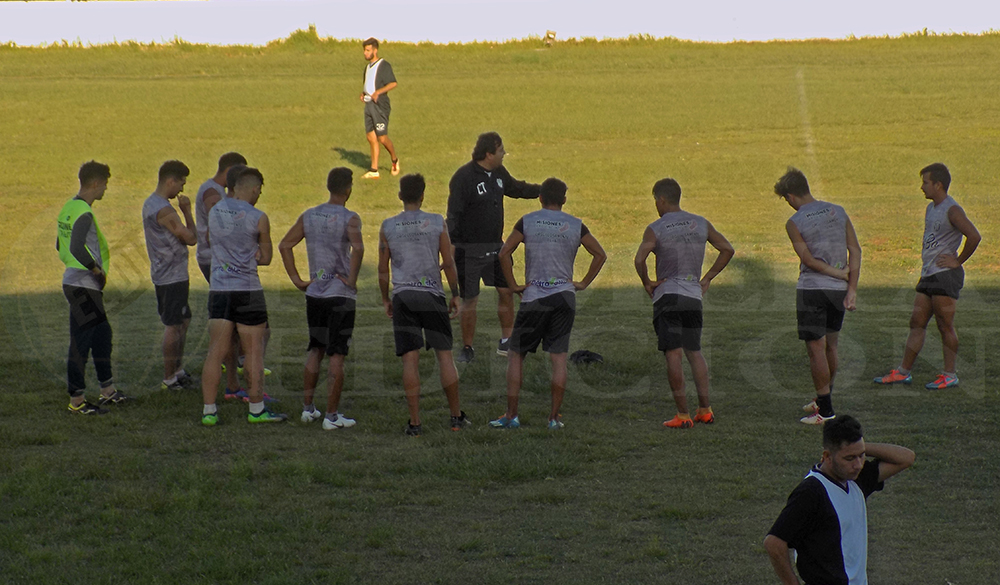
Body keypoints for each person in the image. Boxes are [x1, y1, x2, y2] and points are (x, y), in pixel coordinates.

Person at [491, 178, 606, 430]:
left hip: (535, 297)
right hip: (564, 296)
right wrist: (583, 282)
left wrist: (512, 285)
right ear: (564, 199)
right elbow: (600, 254)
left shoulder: (528, 221)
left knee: (516, 355)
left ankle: (511, 416)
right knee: (559, 359)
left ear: (540, 198)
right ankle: (554, 419)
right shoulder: (576, 225)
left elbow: (503, 253)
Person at [764, 415, 914, 585]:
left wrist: (859, 448)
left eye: (861, 456)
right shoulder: (811, 492)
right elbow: (774, 543)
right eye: (849, 458)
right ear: (827, 456)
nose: (858, 464)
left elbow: (906, 458)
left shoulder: (857, 478)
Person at [634, 178, 734, 429]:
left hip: (668, 294)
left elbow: (639, 259)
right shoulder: (700, 223)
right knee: (695, 351)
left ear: (661, 200)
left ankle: (682, 414)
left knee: (673, 353)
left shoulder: (655, 228)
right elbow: (727, 249)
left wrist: (648, 282)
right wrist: (707, 277)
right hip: (693, 295)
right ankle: (705, 409)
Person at [873, 163, 980, 390]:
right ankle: (903, 372)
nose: (922, 187)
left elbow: (974, 236)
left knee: (944, 325)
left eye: (925, 182)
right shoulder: (932, 208)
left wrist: (958, 260)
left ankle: (949, 374)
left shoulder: (952, 210)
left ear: (938, 185)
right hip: (929, 273)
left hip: (945, 275)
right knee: (917, 322)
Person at [378, 173, 470, 436]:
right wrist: (455, 293)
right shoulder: (436, 222)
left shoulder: (388, 226)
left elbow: (383, 270)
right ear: (423, 195)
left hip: (404, 296)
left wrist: (386, 298)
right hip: (431, 294)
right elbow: (448, 262)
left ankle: (415, 423)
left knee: (410, 360)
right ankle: (455, 417)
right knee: (444, 356)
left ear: (400, 195)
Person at [774, 168, 862, 425]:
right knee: (831, 346)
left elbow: (808, 260)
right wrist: (851, 286)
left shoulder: (794, 222)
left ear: (790, 196)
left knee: (815, 351)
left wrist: (835, 273)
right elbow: (855, 249)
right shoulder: (838, 211)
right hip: (838, 292)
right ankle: (824, 398)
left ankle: (825, 411)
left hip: (813, 290)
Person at [279, 167, 363, 430]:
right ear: (348, 188)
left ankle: (308, 409)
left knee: (315, 349)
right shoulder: (350, 218)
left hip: (315, 293)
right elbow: (358, 248)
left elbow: (285, 245)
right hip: (339, 295)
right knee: (337, 354)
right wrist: (351, 279)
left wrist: (297, 279)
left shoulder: (309, 215)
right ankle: (332, 415)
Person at [201, 167, 285, 425]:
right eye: (259, 190)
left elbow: (209, 241)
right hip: (248, 290)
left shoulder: (215, 211)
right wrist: (253, 256)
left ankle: (209, 411)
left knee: (215, 352)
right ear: (253, 188)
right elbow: (267, 257)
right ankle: (257, 409)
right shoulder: (258, 217)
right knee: (253, 353)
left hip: (219, 290)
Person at [447, 132, 541, 363]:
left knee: (506, 291)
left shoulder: (498, 173)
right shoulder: (464, 177)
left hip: (497, 250)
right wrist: (453, 248)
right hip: (468, 251)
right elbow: (453, 216)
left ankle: (506, 340)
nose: (504, 154)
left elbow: (516, 189)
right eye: (501, 151)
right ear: (489, 154)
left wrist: (542, 191)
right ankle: (467, 348)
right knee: (471, 300)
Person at [57, 161, 129, 414]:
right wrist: (96, 271)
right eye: (105, 184)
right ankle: (76, 401)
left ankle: (107, 391)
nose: (106, 190)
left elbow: (60, 246)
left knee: (102, 335)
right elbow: (76, 248)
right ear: (96, 183)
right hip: (84, 286)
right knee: (81, 342)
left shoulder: (69, 207)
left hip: (74, 281)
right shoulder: (84, 212)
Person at [195, 153, 248, 397]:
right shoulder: (212, 192)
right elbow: (220, 227)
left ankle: (235, 373)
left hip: (222, 262)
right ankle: (235, 375)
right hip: (216, 261)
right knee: (230, 325)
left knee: (232, 325)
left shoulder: (216, 191)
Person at [142, 160, 197, 391]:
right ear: (170, 181)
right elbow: (190, 238)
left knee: (182, 321)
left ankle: (177, 370)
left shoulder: (152, 203)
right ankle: (169, 378)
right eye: (181, 184)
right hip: (170, 276)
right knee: (173, 325)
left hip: (172, 273)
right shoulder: (163, 209)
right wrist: (187, 211)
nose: (181, 190)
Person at [359, 37, 399, 179]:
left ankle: (394, 160)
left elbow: (393, 83)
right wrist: (364, 94)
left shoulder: (383, 65)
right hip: (369, 105)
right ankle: (374, 170)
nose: (365, 53)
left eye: (368, 50)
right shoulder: (367, 67)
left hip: (380, 106)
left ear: (375, 51)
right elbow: (368, 84)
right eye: (364, 50)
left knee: (382, 137)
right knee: (371, 137)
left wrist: (378, 92)